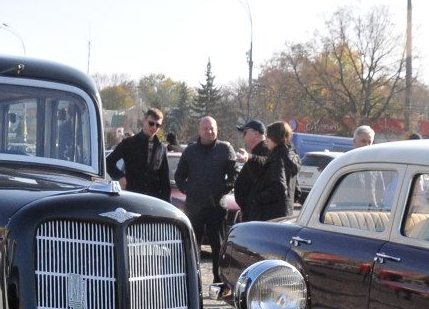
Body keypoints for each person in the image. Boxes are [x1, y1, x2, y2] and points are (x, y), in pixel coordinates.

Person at [175, 116, 237, 282]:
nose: (209, 132)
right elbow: (179, 175)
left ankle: (218, 280)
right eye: (206, 128)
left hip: (216, 207)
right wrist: (187, 190)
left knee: (218, 246)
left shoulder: (225, 149)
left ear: (217, 130)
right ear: (199, 130)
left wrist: (221, 190)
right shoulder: (190, 151)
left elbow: (234, 173)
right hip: (194, 207)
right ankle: (191, 280)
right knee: (192, 244)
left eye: (212, 128)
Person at [105, 108, 172, 202]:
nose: (154, 128)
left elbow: (164, 180)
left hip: (153, 200)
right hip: (132, 196)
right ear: (144, 121)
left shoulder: (161, 148)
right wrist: (120, 176)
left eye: (158, 125)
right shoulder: (129, 143)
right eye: (151, 123)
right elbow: (108, 162)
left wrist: (167, 205)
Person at [233, 119, 290, 222]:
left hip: (259, 214)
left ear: (256, 134)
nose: (243, 136)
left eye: (245, 133)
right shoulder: (264, 151)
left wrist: (256, 201)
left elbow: (264, 160)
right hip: (252, 212)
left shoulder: (269, 151)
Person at [266, 121, 301, 208]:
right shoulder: (291, 154)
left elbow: (279, 187)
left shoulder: (278, 157)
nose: (266, 139)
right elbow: (296, 190)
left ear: (275, 138)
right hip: (287, 207)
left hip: (274, 209)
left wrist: (258, 198)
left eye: (268, 136)